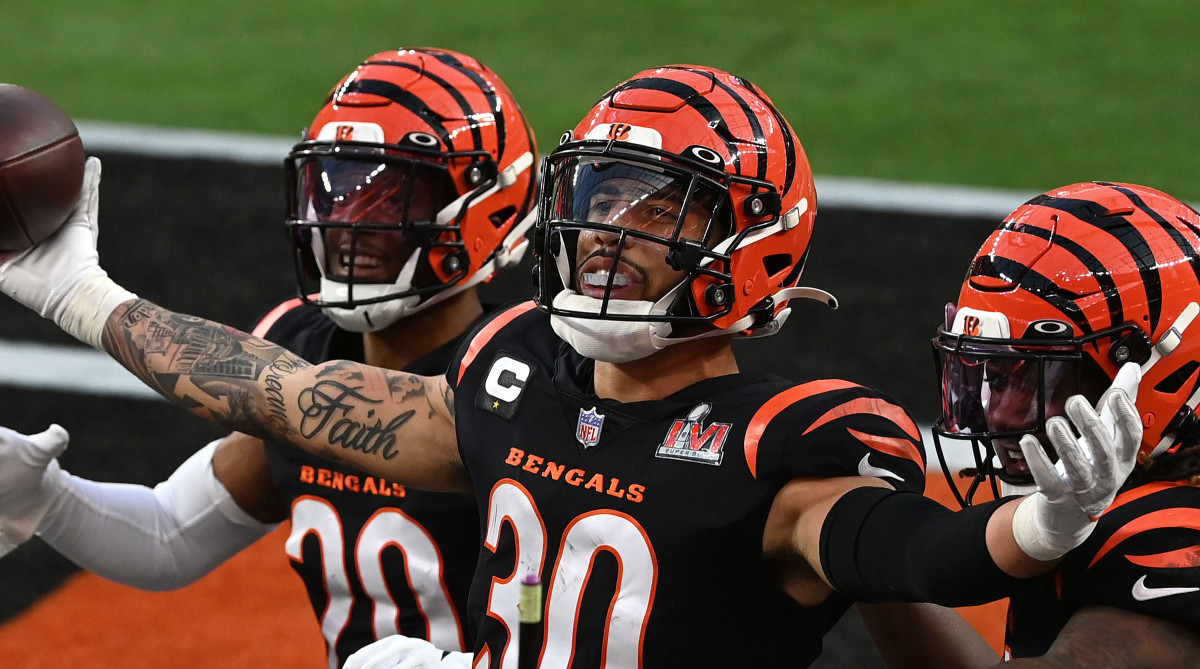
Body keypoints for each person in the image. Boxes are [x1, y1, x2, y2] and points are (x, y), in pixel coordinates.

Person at [0, 65, 1139, 668]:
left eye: (654, 212)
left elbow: (921, 553)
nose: (604, 234)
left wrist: (1036, 529)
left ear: (753, 247)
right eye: (595, 196)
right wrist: (83, 302)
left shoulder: (782, 440)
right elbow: (282, 396)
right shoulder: (509, 376)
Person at [0, 47, 537, 669]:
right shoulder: (303, 346)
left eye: (392, 198)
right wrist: (50, 499)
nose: (346, 223)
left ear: (490, 207)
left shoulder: (524, 385)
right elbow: (169, 537)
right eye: (332, 189)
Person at [930, 181, 1200, 667]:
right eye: (996, 377)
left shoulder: (1173, 532)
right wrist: (875, 566)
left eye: (1045, 379)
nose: (1001, 414)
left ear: (1159, 374)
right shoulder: (1127, 502)